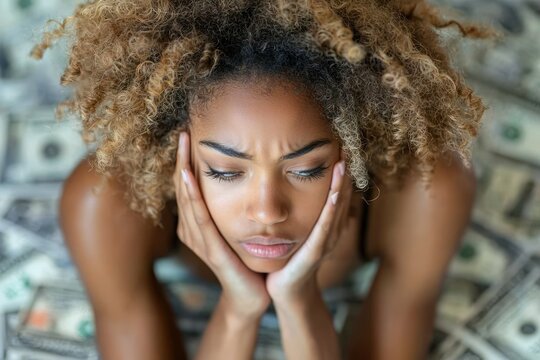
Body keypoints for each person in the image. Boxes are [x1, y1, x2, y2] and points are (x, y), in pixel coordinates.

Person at [32, 0, 493, 359]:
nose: (268, 211)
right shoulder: (107, 204)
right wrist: (240, 307)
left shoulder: (426, 189)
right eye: (226, 171)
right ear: (177, 149)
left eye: (307, 169)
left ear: (356, 145)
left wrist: (299, 298)